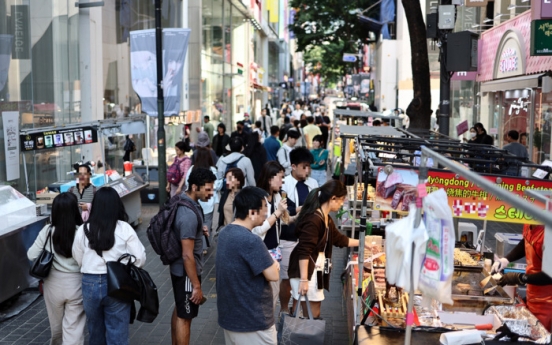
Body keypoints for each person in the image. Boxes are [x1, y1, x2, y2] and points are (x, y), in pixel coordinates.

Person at [72, 187, 146, 345]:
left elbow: (78, 257)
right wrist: (123, 263)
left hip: (89, 282)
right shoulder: (124, 228)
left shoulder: (83, 229)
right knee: (118, 332)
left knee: (95, 331)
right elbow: (139, 259)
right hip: (117, 284)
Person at [216, 187, 280, 344]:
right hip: (253, 322)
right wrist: (274, 264)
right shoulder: (252, 241)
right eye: (264, 208)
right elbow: (273, 275)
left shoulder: (225, 233)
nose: (266, 213)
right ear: (252, 212)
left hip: (230, 318)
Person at [288, 180, 360, 318]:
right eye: (341, 200)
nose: (341, 204)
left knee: (309, 308)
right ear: (333, 198)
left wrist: (362, 243)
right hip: (307, 270)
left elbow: (339, 239)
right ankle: (301, 337)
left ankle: (302, 336)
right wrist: (304, 280)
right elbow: (304, 251)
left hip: (315, 268)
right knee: (308, 310)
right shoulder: (314, 220)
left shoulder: (326, 218)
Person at [28, 193, 86, 345]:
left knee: (56, 327)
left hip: (53, 284)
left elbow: (31, 254)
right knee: (74, 327)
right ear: (75, 210)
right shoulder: (82, 231)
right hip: (77, 283)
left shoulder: (48, 231)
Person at [169, 168, 216, 345]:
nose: (211, 194)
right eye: (208, 189)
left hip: (180, 271)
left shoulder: (185, 201)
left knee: (180, 309)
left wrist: (199, 230)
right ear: (195, 187)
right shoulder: (188, 214)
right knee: (185, 317)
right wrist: (196, 286)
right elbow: (187, 255)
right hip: (187, 273)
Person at [279, 147, 318, 314]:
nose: (307, 170)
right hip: (288, 237)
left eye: (309, 166)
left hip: (307, 238)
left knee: (302, 278)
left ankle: (296, 314)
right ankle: (283, 310)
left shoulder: (313, 184)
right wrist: (301, 209)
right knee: (287, 278)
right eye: (304, 166)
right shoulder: (284, 183)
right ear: (293, 166)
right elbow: (284, 210)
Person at [493, 224, 552, 331]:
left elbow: (550, 275)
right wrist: (506, 260)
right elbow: (526, 241)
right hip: (532, 295)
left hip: (547, 304)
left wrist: (521, 277)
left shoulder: (548, 234)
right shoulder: (529, 224)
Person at [252, 162, 288, 309]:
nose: (282, 181)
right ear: (269, 179)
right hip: (261, 250)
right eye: (280, 178)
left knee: (273, 292)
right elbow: (259, 229)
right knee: (264, 292)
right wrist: (278, 212)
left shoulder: (277, 195)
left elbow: (285, 220)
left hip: (274, 250)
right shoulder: (259, 199)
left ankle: (267, 324)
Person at [184, 148, 223, 253]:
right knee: (207, 222)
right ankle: (204, 246)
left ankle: (197, 244)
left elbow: (187, 183)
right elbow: (218, 185)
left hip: (195, 202)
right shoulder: (213, 169)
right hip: (208, 203)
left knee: (197, 222)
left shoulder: (192, 168)